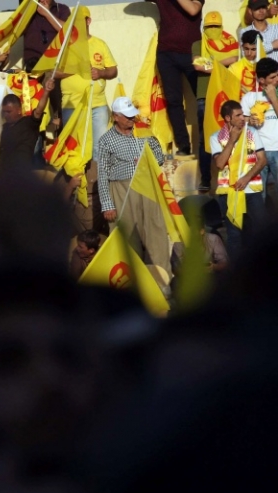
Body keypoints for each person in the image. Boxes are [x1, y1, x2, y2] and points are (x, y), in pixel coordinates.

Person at [97, 97, 170, 282]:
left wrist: (148, 160)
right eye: (127, 116)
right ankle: (129, 284)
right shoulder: (106, 140)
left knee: (156, 233)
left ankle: (161, 282)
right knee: (127, 237)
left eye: (132, 115)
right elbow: (103, 173)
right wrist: (107, 204)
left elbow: (160, 157)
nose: (131, 119)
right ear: (116, 117)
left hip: (148, 186)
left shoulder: (144, 131)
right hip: (122, 189)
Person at [146, 0, 203, 157]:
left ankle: (207, 141)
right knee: (173, 101)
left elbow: (193, 10)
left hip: (193, 53)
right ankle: (183, 145)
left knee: (203, 98)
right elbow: (128, 8)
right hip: (166, 54)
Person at [60, 6, 117, 161]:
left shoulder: (100, 44)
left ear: (88, 21)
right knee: (73, 149)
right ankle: (76, 176)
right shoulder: (64, 44)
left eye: (80, 20)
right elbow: (52, 73)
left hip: (97, 105)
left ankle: (97, 176)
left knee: (99, 148)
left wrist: (101, 73)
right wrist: (77, 68)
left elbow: (113, 71)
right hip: (72, 104)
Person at [211, 100, 266, 257]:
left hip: (252, 191)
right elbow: (219, 163)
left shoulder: (252, 132)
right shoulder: (215, 137)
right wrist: (232, 140)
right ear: (228, 118)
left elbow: (262, 160)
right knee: (234, 235)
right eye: (238, 115)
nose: (243, 118)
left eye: (243, 114)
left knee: (259, 232)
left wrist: (246, 178)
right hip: (229, 193)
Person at [192, 11, 239, 192]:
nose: (212, 30)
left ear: (221, 26)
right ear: (203, 28)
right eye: (209, 27)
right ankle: (206, 179)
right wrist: (222, 63)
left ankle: (232, 174)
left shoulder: (230, 41)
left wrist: (210, 62)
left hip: (227, 95)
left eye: (216, 26)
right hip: (204, 96)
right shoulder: (198, 44)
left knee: (231, 134)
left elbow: (235, 59)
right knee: (205, 139)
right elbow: (197, 65)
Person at [0, 75, 55, 183]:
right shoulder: (4, 127)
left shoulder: (28, 124)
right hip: (3, 179)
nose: (6, 115)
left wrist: (46, 91)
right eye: (4, 112)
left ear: (19, 110)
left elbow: (39, 110)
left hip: (21, 178)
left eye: (9, 111)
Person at [242, 57, 278, 200]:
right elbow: (241, 122)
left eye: (277, 75)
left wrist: (273, 98)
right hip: (258, 153)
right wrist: (249, 121)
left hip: (277, 149)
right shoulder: (249, 97)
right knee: (258, 195)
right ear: (262, 80)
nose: (277, 79)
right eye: (272, 77)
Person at [22, 0, 70, 70]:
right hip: (31, 64)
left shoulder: (62, 9)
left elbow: (67, 31)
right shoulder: (29, 10)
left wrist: (47, 14)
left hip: (53, 64)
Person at [229, 30, 262, 98]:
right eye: (246, 49)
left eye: (253, 49)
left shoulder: (268, 67)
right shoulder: (234, 68)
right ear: (242, 47)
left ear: (260, 48)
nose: (249, 53)